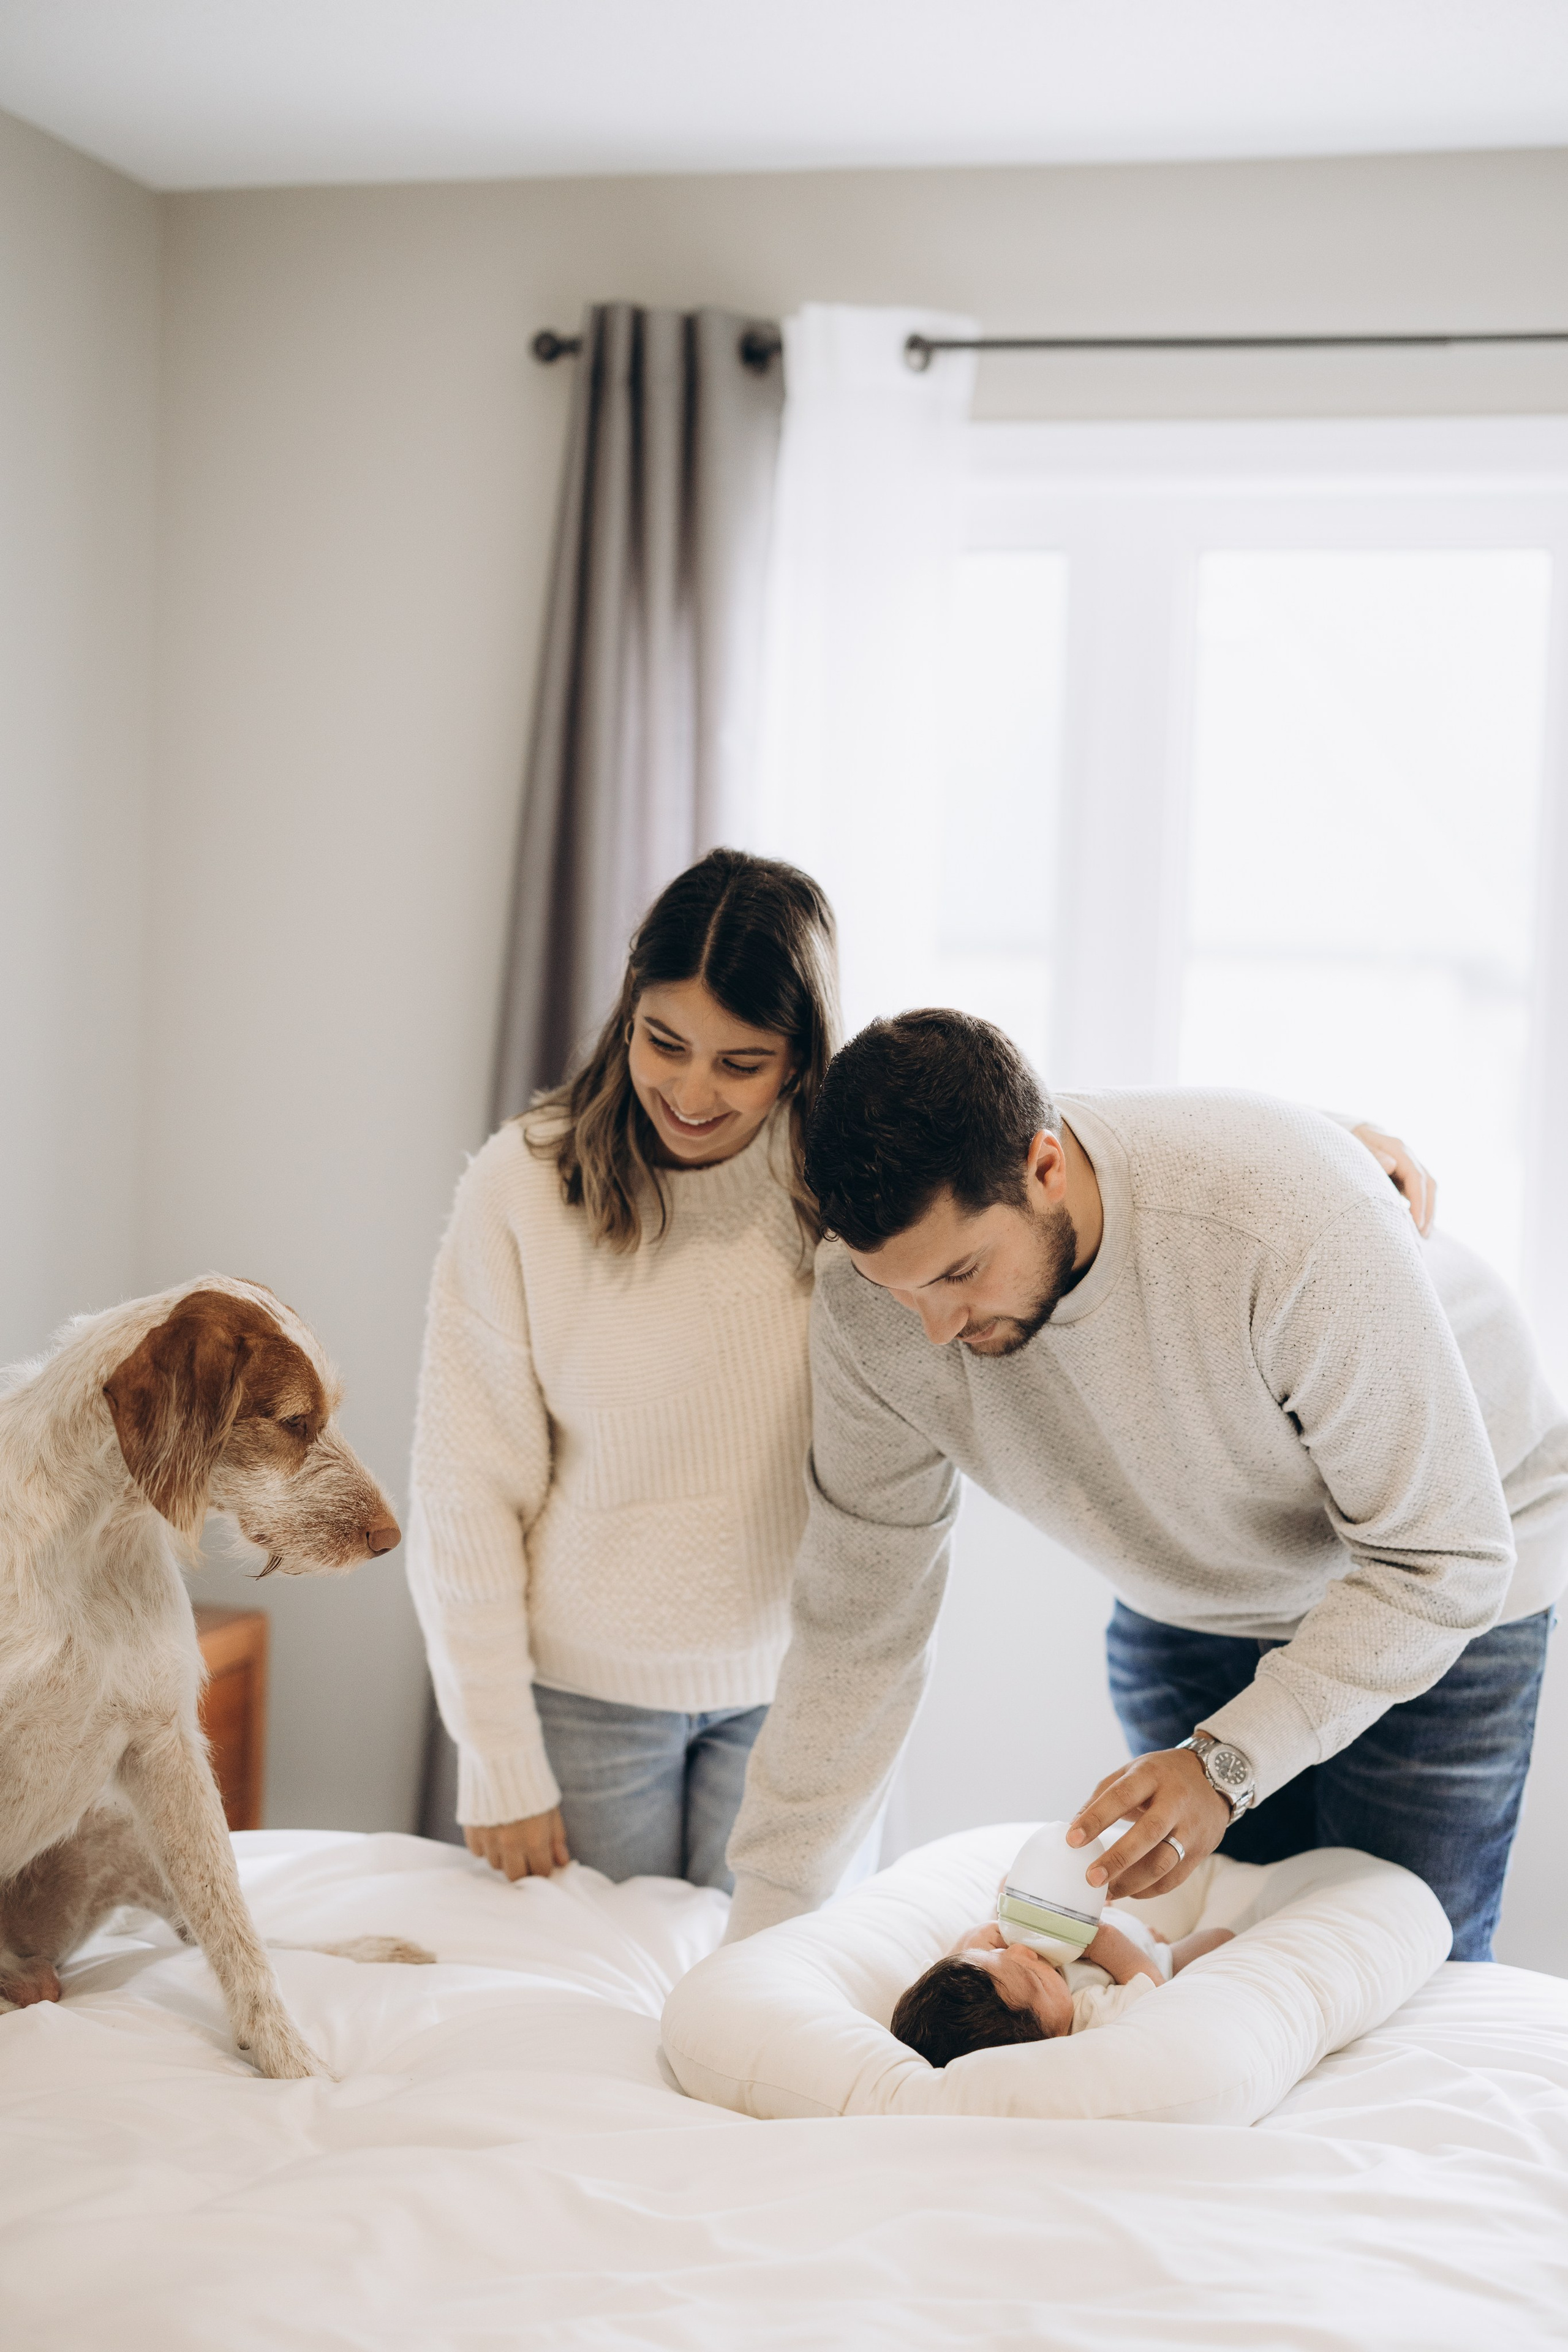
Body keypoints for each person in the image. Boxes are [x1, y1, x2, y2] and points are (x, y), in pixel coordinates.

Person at [722, 1011, 1568, 1959]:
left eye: (961, 1272)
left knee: (1402, 1978)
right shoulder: (867, 1302)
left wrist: (1224, 1766)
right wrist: (761, 1940)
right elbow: (856, 1627)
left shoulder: (1281, 1214)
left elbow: (1443, 1557)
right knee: (1202, 1974)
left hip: (1439, 1576)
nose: (934, 1329)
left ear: (1046, 1167)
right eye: (900, 1289)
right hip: (1195, 1602)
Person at [404, 849, 840, 1889]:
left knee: (759, 2014)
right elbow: (464, 1490)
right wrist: (500, 1758)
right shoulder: (519, 1188)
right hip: (584, 1704)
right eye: (664, 1042)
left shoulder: (844, 1190)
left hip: (794, 1695)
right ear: (626, 1011)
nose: (690, 1091)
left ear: (799, 1057)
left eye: (741, 1063)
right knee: (594, 2029)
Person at [891, 1914, 1234, 2067]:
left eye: (995, 1955)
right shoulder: (1090, 2016)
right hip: (1151, 1957)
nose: (1022, 1952)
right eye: (1036, 1979)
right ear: (1052, 2038)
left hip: (1092, 1922)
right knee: (1220, 1941)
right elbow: (1152, 1988)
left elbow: (944, 1976)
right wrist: (1103, 1941)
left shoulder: (997, 1983)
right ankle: (1168, 1942)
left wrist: (978, 1945)